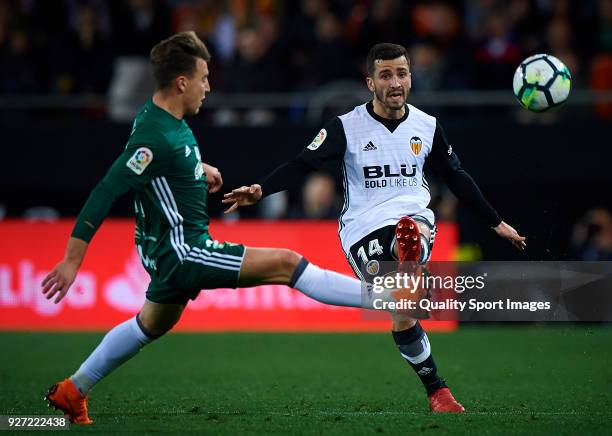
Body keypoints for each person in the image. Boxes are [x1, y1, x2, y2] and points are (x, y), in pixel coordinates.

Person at [41, 31, 393, 425]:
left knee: (151, 323)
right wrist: (72, 261)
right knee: (287, 263)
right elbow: (106, 190)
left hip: (163, 251)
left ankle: (73, 390)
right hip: (184, 251)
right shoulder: (156, 138)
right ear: (182, 82)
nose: (208, 87)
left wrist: (195, 170)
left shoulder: (159, 118)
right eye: (204, 78)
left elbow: (164, 165)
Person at [223, 43, 527, 413]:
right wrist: (261, 189)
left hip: (413, 217)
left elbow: (456, 176)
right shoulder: (346, 127)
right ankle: (414, 287)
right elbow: (302, 164)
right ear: (370, 82)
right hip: (362, 228)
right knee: (403, 313)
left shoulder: (427, 126)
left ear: (410, 78)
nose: (395, 82)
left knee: (408, 241)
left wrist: (495, 221)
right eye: (386, 75)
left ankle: (438, 388)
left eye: (401, 73)